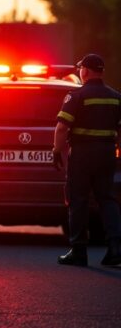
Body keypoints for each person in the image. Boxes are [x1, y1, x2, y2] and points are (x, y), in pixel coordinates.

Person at [54, 53, 121, 266]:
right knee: (107, 200)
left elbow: (62, 126)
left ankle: (79, 251)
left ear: (85, 71)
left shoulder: (77, 96)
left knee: (78, 200)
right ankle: (116, 249)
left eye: (81, 69)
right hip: (107, 154)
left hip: (83, 154)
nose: (80, 72)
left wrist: (57, 150)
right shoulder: (115, 96)